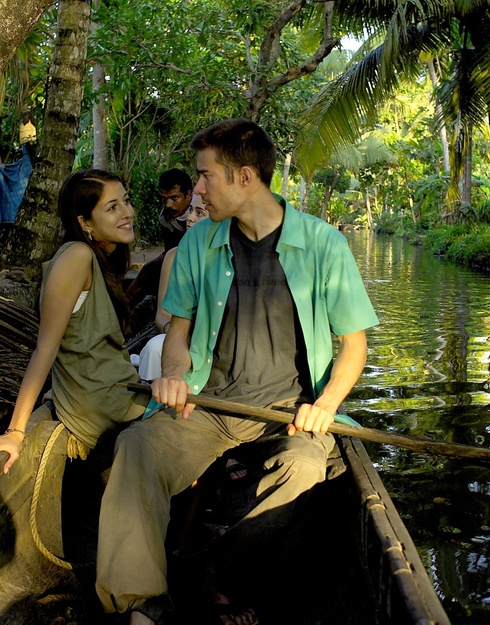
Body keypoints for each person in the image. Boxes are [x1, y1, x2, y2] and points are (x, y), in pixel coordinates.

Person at [95, 119, 379, 625]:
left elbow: (353, 346)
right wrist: (175, 375)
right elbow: (178, 333)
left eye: (205, 177)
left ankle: (211, 574)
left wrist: (326, 406)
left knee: (307, 468)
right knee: (136, 447)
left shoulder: (323, 244)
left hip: (284, 413)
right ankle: (142, 603)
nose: (197, 189)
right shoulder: (199, 244)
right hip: (209, 407)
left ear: (244, 177)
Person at [0, 169, 148, 610]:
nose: (127, 212)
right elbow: (45, 350)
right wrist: (16, 431)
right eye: (112, 207)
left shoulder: (100, 259)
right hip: (105, 409)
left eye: (126, 201)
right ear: (84, 221)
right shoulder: (75, 258)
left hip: (119, 394)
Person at [136, 193, 210, 380]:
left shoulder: (225, 260)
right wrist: (176, 336)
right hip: (176, 336)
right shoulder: (173, 257)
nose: (190, 218)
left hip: (210, 342)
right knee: (154, 348)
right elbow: (162, 314)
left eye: (200, 213)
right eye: (191, 210)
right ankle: (152, 406)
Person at [125, 168, 196, 308]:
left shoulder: (202, 211)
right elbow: (170, 250)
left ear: (188, 195)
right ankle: (123, 309)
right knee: (148, 271)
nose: (168, 204)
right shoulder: (166, 218)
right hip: (176, 255)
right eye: (164, 199)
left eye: (174, 198)